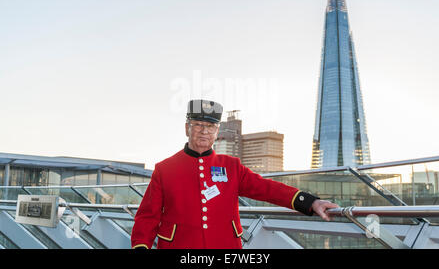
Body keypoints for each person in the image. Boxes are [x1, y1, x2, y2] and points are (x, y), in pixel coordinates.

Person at [131, 99, 339, 249]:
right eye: (198, 125)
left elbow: (267, 189)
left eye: (210, 126)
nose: (204, 131)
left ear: (217, 131)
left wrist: (309, 202)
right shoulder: (165, 169)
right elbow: (147, 217)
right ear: (187, 128)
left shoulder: (231, 166)